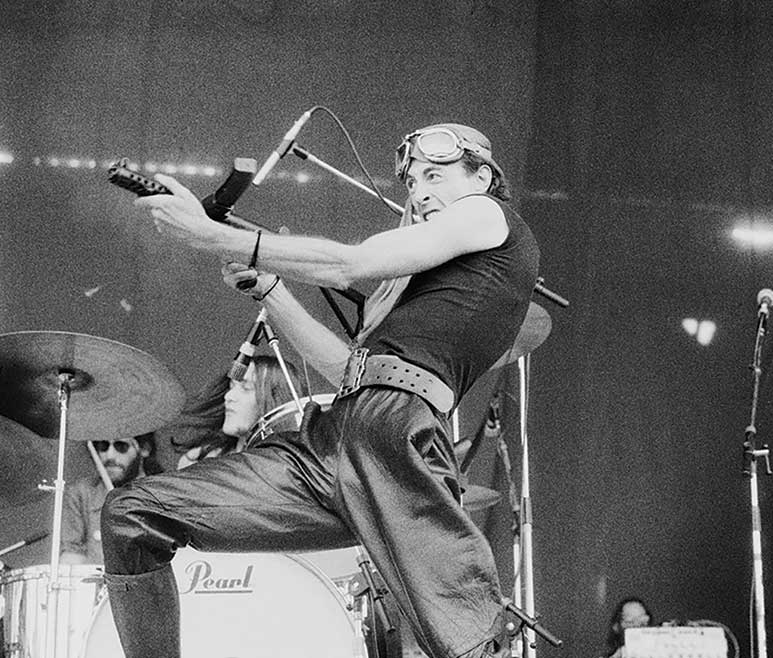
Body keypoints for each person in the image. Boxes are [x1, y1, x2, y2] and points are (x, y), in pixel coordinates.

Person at [101, 123, 540, 658]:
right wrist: (272, 290)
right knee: (132, 516)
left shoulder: (489, 215)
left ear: (484, 176)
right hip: (332, 439)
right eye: (412, 181)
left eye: (436, 174)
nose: (420, 190)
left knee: (468, 645)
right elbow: (350, 371)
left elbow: (347, 263)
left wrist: (209, 234)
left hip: (397, 440)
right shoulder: (412, 294)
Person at [169, 354, 307, 469]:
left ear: (275, 399)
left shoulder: (293, 470)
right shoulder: (197, 461)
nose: (228, 396)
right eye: (231, 387)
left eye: (246, 388)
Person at [60, 433, 163, 564]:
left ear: (144, 449)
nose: (110, 456)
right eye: (103, 446)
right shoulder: (80, 494)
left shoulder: (161, 495)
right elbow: (72, 554)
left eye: (121, 446)